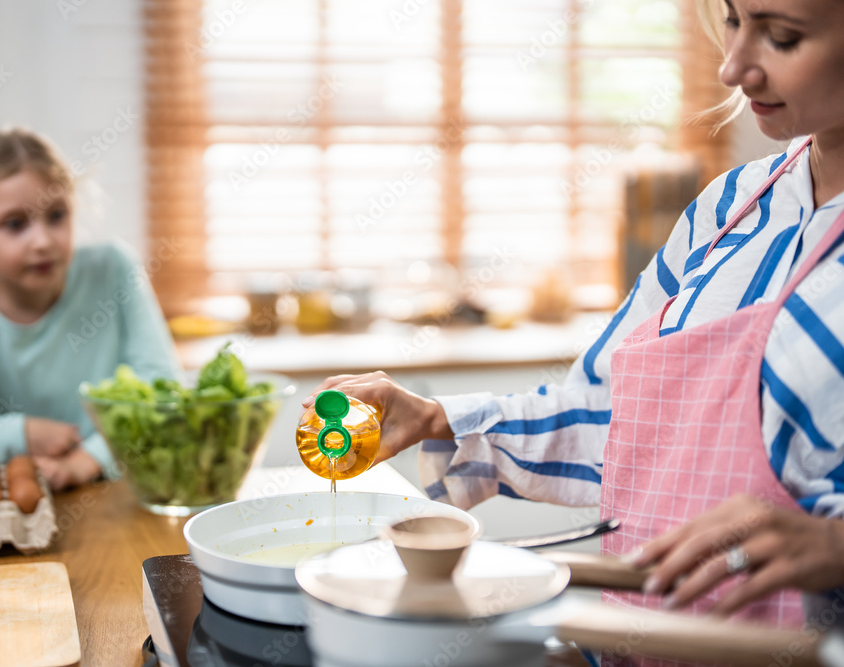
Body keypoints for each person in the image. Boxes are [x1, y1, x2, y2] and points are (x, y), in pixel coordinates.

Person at [304, 0, 844, 639]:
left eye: (781, 37)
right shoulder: (729, 209)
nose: (732, 67)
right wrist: (437, 418)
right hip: (641, 641)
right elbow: (620, 417)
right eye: (732, 20)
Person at [0, 128, 180, 490]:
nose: (42, 241)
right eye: (15, 224)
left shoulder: (114, 270)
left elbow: (166, 395)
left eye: (56, 216)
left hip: (126, 496)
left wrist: (85, 461)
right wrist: (17, 433)